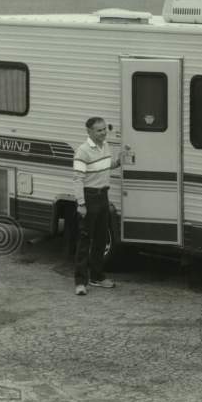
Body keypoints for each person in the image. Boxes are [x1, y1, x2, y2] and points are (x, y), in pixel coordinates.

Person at [72, 117, 129, 296]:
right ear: (89, 132)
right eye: (99, 130)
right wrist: (81, 204)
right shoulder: (82, 151)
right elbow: (78, 179)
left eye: (104, 129)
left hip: (103, 196)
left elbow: (106, 165)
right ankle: (80, 282)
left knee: (100, 239)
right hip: (89, 198)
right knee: (84, 241)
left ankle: (97, 277)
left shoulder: (105, 146)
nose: (103, 133)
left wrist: (119, 161)